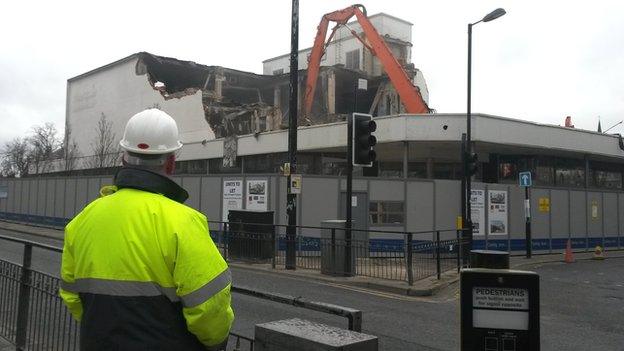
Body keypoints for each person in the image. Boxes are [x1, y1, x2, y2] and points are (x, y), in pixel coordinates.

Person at [59, 108, 234, 350]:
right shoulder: (184, 222)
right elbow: (211, 311)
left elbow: (71, 295)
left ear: (123, 158)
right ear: (171, 163)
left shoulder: (83, 220)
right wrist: (214, 342)